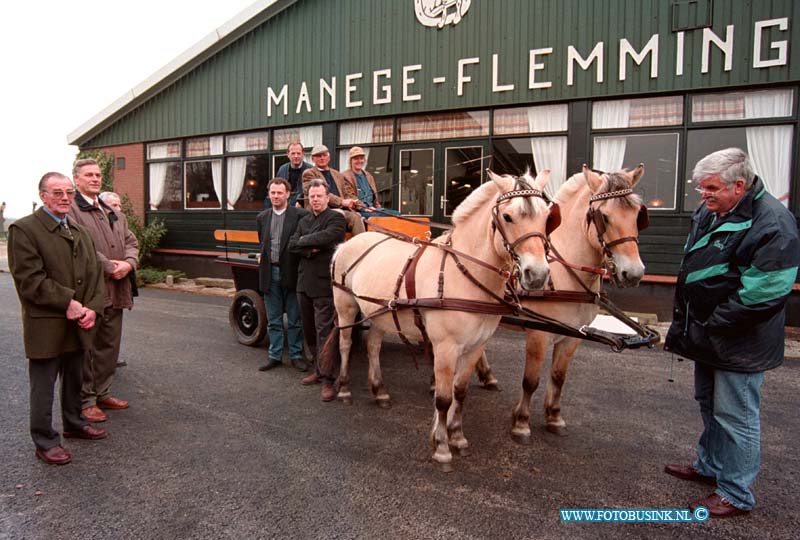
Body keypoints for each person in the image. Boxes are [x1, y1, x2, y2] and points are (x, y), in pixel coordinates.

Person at [663, 148, 800, 518]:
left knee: (736, 417)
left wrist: (712, 323)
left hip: (739, 341)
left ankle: (736, 493)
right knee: (709, 404)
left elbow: (763, 295)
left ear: (739, 186)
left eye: (711, 188)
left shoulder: (774, 223)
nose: (703, 195)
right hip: (709, 334)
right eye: (701, 188)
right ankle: (710, 466)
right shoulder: (712, 210)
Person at [8, 172, 108, 465]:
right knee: (43, 385)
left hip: (79, 321)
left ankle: (74, 423)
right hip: (47, 323)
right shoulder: (24, 230)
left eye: (68, 192)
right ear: (43, 196)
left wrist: (93, 308)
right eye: (57, 192)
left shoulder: (78, 230)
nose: (65, 198)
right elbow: (29, 280)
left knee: (75, 378)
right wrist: (69, 302)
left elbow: (95, 275)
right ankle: (45, 441)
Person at [68, 159, 139, 423]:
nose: (95, 179)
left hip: (117, 289)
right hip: (90, 290)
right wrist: (110, 267)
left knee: (109, 344)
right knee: (87, 347)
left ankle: (102, 392)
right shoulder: (72, 210)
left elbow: (131, 241)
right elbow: (78, 244)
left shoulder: (112, 211)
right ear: (76, 179)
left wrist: (128, 264)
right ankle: (86, 400)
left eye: (98, 175)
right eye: (88, 175)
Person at [289, 179, 346, 402]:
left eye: (319, 196)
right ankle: (318, 370)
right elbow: (292, 245)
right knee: (309, 330)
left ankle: (328, 380)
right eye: (312, 196)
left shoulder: (336, 218)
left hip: (323, 284)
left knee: (325, 333)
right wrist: (309, 248)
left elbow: (329, 238)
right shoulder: (304, 220)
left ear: (327, 197)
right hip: (303, 283)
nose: (315, 200)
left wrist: (304, 242)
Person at [256, 178, 309, 372]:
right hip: (270, 273)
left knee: (295, 320)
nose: (276, 196)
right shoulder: (262, 217)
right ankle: (274, 356)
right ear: (269, 194)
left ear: (288, 194)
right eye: (273, 193)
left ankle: (296, 355)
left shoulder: (300, 215)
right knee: (274, 320)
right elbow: (263, 244)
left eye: (280, 193)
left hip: (292, 273)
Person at [301, 145, 365, 235]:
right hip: (320, 211)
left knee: (368, 216)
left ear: (329, 157)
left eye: (324, 155)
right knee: (354, 218)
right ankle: (360, 243)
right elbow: (323, 194)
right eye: (318, 156)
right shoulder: (309, 173)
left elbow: (347, 194)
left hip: (342, 210)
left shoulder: (337, 174)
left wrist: (361, 206)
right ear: (312, 159)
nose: (322, 158)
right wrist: (342, 202)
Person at [341, 146, 391, 218]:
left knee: (397, 214)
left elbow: (375, 198)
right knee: (379, 217)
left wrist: (377, 208)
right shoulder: (345, 176)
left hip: (373, 209)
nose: (359, 161)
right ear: (350, 160)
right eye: (356, 159)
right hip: (359, 210)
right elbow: (350, 197)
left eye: (361, 158)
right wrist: (364, 208)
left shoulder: (369, 176)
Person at [275, 141, 312, 207]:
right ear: (288, 154)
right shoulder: (282, 169)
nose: (296, 156)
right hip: (285, 208)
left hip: (304, 208)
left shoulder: (311, 170)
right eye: (293, 153)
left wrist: (303, 203)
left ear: (303, 154)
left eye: (298, 153)